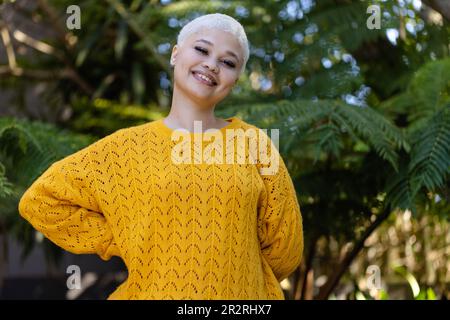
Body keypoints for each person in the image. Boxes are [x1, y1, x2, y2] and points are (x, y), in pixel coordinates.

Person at [18, 12, 303, 300]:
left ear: (235, 78)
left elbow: (285, 247)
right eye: (202, 49)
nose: (211, 64)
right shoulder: (124, 149)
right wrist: (123, 238)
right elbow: (41, 201)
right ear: (176, 54)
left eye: (228, 62)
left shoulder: (253, 144)